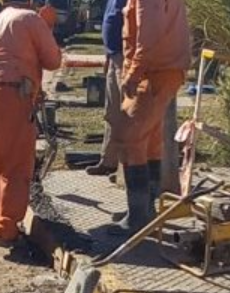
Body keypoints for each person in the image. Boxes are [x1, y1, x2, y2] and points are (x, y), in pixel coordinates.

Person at [0, 0, 61, 247]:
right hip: (9, 93)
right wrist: (48, 26)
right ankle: (6, 228)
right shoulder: (30, 19)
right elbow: (53, 61)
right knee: (16, 165)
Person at [108, 0, 190, 235]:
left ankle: (138, 217)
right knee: (149, 141)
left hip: (153, 72)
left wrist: (133, 73)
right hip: (163, 70)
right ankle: (147, 211)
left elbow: (148, 34)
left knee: (130, 139)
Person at [85, 0, 125, 178]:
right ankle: (108, 161)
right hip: (114, 55)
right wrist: (108, 56)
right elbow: (111, 22)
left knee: (129, 114)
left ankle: (128, 168)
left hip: (127, 57)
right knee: (112, 112)